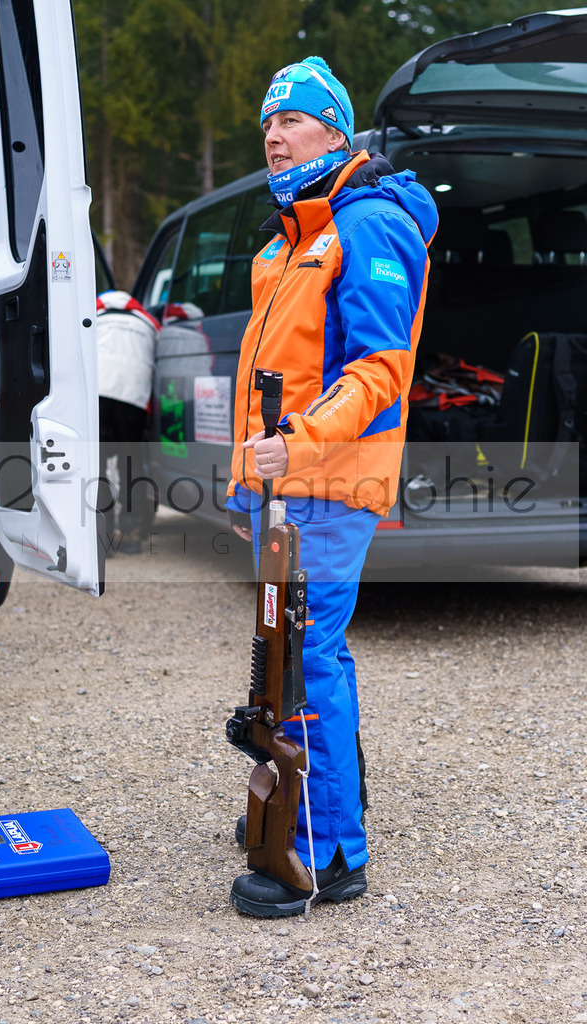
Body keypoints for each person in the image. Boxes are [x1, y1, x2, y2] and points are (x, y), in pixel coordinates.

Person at [226, 57, 438, 917]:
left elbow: (382, 370)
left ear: (336, 132)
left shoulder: (371, 224)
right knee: (299, 657)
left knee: (305, 659)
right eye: (267, 123)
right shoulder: (287, 241)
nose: (274, 137)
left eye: (293, 120)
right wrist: (248, 482)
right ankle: (318, 806)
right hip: (281, 488)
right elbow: (271, 376)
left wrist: (296, 444)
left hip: (328, 481)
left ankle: (327, 851)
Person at [95, 290, 159, 555]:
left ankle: (101, 538)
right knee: (130, 463)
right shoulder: (147, 322)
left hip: (97, 393)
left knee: (96, 467)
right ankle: (131, 534)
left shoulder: (93, 317)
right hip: (133, 396)